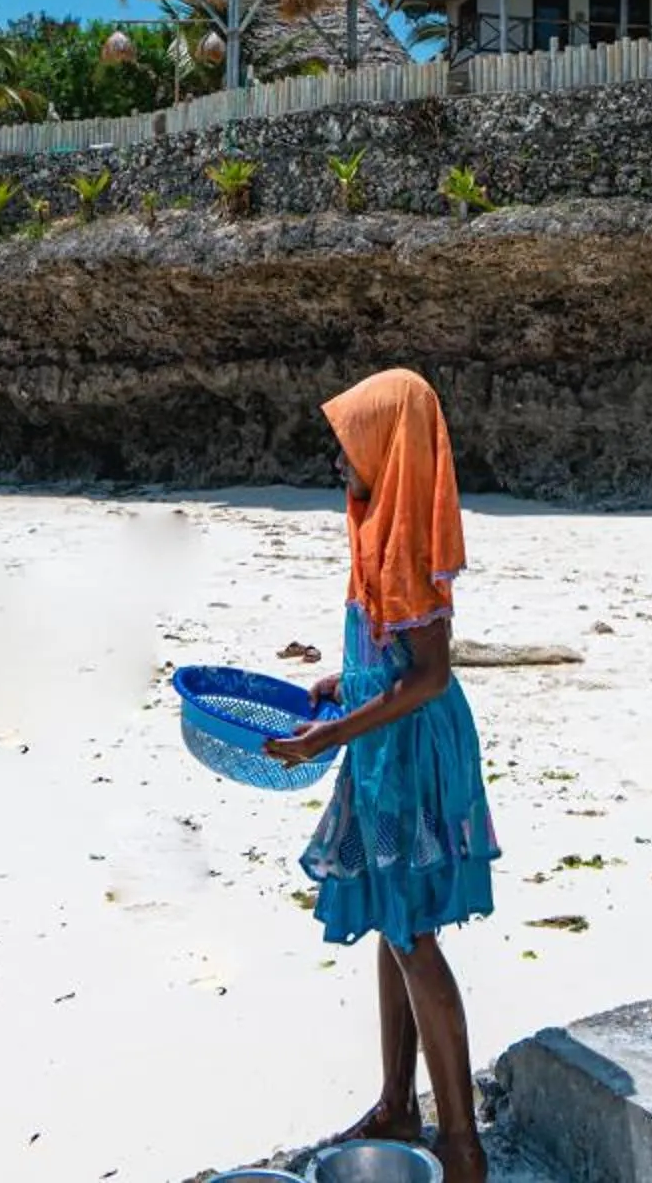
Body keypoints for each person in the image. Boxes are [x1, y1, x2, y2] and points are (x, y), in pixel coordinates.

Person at [264, 369, 499, 1183]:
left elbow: (428, 676)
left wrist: (333, 729)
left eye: (350, 447)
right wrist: (344, 682)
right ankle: (398, 1100)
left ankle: (462, 1143)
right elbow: (389, 657)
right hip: (380, 737)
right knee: (391, 924)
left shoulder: (406, 545)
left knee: (411, 932)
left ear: (387, 450)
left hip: (409, 751)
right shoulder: (377, 525)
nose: (339, 464)